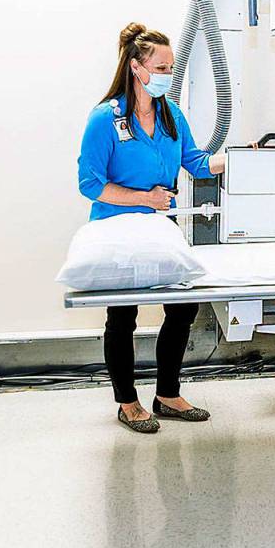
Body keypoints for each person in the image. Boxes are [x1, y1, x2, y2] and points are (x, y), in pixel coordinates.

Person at [77, 22, 227, 434]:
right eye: (161, 67)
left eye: (171, 67)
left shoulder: (170, 114)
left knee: (183, 305)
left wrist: (238, 158)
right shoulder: (105, 119)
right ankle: (127, 402)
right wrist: (145, 198)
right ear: (136, 67)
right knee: (122, 315)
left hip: (158, 228)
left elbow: (196, 163)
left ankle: (167, 394)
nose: (168, 75)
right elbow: (90, 184)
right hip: (116, 226)